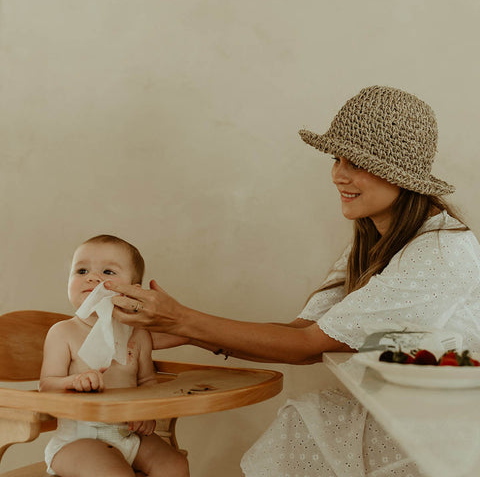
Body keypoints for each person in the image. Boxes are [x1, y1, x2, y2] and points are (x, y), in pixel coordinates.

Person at [105, 86, 480, 476]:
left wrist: (182, 319)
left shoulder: (439, 252)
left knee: (305, 426)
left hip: (445, 441)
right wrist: (186, 331)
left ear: (399, 175)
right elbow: (302, 331)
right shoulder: (377, 242)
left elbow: (306, 347)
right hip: (401, 417)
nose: (338, 175)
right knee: (302, 423)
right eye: (337, 158)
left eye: (357, 163)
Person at [39, 235, 189, 477]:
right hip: (78, 441)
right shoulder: (63, 332)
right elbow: (46, 386)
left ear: (133, 291)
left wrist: (147, 413)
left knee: (175, 464)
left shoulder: (138, 336)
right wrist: (72, 382)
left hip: (129, 434)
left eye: (108, 271)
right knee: (114, 473)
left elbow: (148, 383)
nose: (92, 277)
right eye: (81, 270)